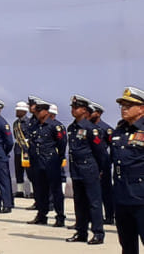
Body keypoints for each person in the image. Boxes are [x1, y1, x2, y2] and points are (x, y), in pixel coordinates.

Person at [65, 95, 106, 245]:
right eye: (72, 107)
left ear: (84, 110)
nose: (73, 110)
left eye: (76, 108)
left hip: (89, 169)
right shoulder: (71, 128)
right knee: (79, 202)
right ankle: (81, 232)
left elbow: (100, 152)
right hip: (76, 170)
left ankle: (98, 233)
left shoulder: (91, 129)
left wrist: (100, 169)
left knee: (94, 202)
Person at [111, 87, 144, 253]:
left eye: (129, 105)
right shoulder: (119, 129)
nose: (124, 108)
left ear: (141, 108)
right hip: (122, 196)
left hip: (141, 197)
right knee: (127, 245)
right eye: (122, 105)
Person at [27, 98, 67, 227]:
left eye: (40, 110)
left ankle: (60, 217)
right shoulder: (34, 126)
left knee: (56, 191)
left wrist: (59, 159)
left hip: (51, 162)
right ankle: (41, 215)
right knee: (40, 191)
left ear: (46, 111)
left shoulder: (55, 126)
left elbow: (62, 144)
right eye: (36, 111)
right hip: (37, 162)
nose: (38, 113)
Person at [90, 101, 114, 225]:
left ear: (98, 113)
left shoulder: (106, 129)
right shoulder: (87, 127)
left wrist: (107, 163)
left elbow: (114, 147)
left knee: (106, 191)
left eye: (92, 111)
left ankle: (109, 216)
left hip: (103, 164)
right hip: (90, 163)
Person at [12, 101, 32, 199]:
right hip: (18, 149)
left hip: (27, 149)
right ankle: (20, 190)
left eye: (18, 110)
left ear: (24, 111)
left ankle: (32, 191)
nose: (16, 112)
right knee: (18, 170)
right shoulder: (15, 123)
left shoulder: (29, 122)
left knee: (30, 171)